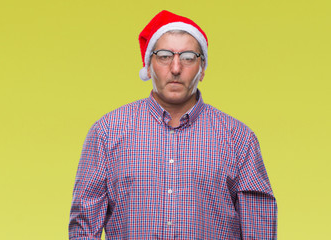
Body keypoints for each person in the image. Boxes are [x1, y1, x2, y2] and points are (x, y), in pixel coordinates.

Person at [69, 10, 277, 239]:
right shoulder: (108, 132)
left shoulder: (238, 138)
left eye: (188, 57)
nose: (176, 68)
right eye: (165, 56)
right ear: (148, 66)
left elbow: (260, 228)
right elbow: (84, 228)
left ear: (203, 68)